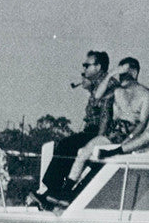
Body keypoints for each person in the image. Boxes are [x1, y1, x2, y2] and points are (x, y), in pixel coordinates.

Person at [63, 57, 149, 196]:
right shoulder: (117, 90)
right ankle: (65, 191)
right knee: (83, 152)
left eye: (125, 72)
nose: (122, 76)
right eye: (121, 73)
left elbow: (142, 122)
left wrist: (130, 137)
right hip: (113, 132)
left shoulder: (146, 93)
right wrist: (112, 73)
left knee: (148, 135)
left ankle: (115, 151)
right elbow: (97, 96)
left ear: (134, 73)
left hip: (131, 135)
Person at [33, 50, 109, 207]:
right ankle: (51, 191)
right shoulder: (97, 85)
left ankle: (53, 190)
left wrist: (99, 138)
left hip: (97, 131)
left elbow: (105, 114)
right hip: (91, 129)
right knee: (67, 146)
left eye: (87, 65)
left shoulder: (106, 85)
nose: (84, 70)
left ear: (98, 67)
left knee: (67, 145)